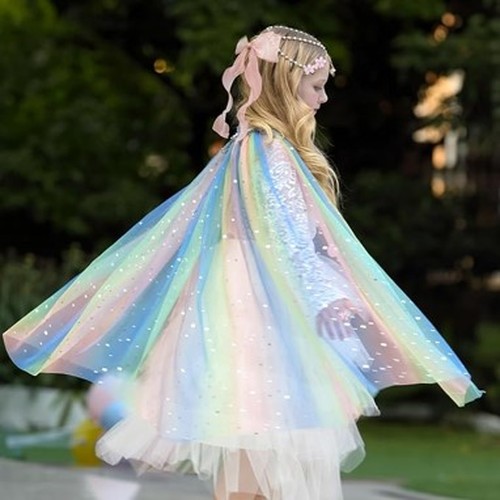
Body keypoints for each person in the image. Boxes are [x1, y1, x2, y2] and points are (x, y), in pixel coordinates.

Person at [2, 25, 482, 500]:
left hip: (239, 300)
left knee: (254, 457)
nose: (323, 99)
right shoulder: (268, 150)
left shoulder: (248, 147)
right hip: (258, 310)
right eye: (316, 87)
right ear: (286, 85)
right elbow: (287, 238)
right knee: (260, 448)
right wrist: (329, 296)